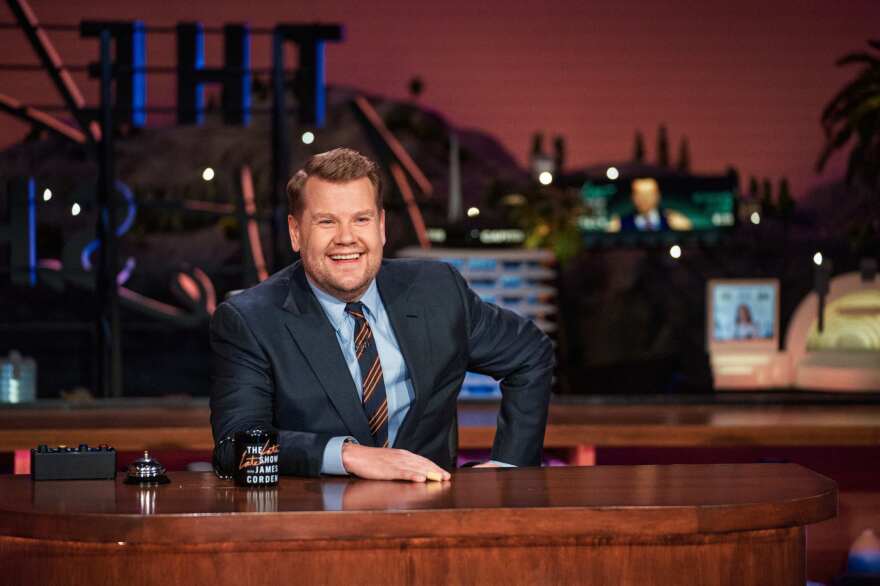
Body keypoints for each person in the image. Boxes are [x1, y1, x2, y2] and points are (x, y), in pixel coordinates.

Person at [210, 148, 554, 482]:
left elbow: (530, 353)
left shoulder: (438, 291)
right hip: (315, 524)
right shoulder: (251, 321)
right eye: (327, 221)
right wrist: (348, 456)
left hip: (429, 520)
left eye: (361, 219)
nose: (346, 238)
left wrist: (510, 468)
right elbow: (236, 447)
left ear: (382, 225)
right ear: (296, 232)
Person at [608, 177, 692, 232]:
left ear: (657, 196)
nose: (645, 199)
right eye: (640, 195)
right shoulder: (620, 224)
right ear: (633, 198)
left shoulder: (673, 221)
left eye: (649, 194)